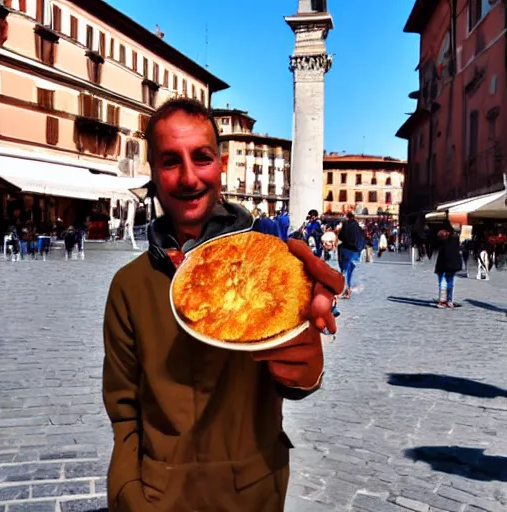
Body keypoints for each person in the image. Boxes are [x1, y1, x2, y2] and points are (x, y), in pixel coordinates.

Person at [102, 98, 343, 512]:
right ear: (154, 173)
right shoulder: (129, 286)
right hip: (159, 500)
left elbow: (295, 376)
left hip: (254, 494)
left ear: (222, 163)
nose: (189, 177)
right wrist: (127, 493)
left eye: (202, 157)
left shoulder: (275, 265)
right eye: (170, 161)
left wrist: (306, 363)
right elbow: (124, 412)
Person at [338, 211, 365, 299]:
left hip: (346, 251)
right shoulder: (357, 226)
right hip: (356, 252)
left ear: (348, 217)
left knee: (344, 271)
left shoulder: (346, 224)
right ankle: (349, 289)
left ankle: (346, 290)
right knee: (351, 271)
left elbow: (341, 236)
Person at [434, 224, 462, 308]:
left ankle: (443, 301)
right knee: (449, 283)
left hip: (443, 265)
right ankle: (449, 300)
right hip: (451, 266)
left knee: (443, 283)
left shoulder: (442, 241)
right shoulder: (455, 240)